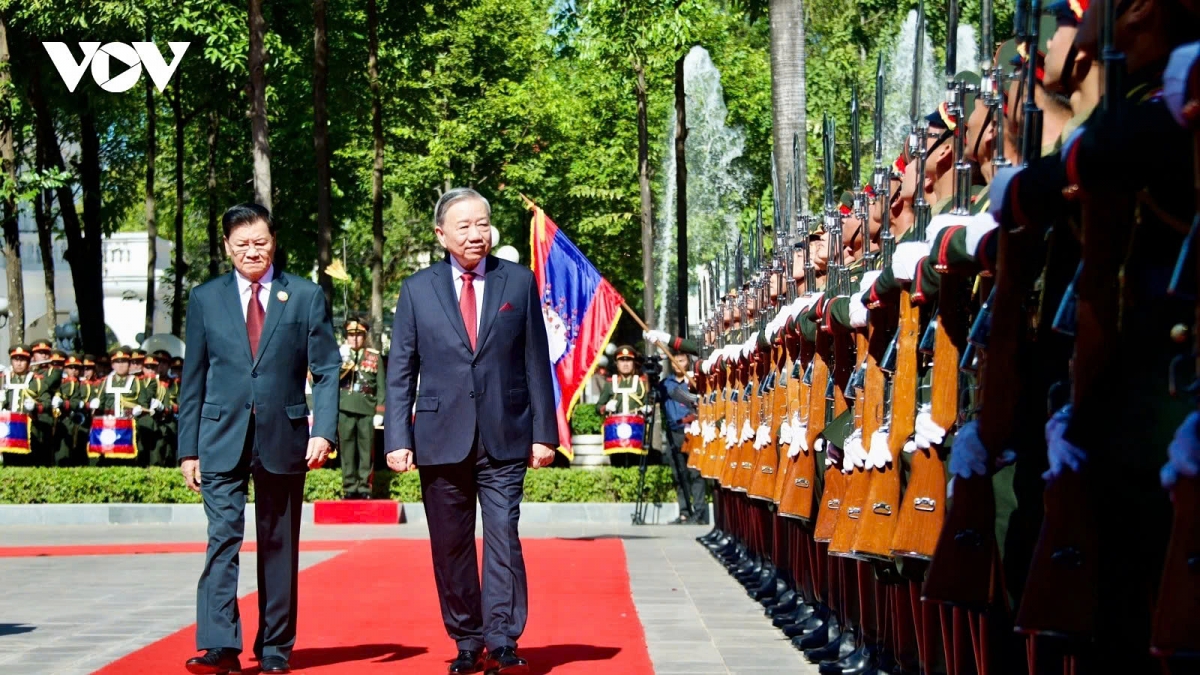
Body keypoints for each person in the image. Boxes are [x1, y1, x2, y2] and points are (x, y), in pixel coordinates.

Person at [384, 187, 557, 675]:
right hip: (440, 438)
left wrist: (545, 432)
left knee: (504, 535)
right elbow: (401, 370)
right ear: (441, 234)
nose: (476, 234)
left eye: (483, 224)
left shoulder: (517, 282)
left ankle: (502, 640)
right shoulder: (417, 290)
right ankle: (466, 637)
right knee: (451, 544)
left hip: (505, 435)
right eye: (464, 226)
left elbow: (535, 363)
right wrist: (398, 439)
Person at [177, 203, 339, 675]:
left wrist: (323, 429)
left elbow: (326, 369)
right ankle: (218, 646)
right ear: (228, 247)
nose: (253, 251)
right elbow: (194, 377)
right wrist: (188, 448)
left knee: (278, 543)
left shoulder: (304, 296)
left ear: (274, 242)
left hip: (284, 436)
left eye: (261, 242)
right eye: (242, 243)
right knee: (222, 539)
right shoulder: (205, 299)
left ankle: (274, 647)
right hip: (219, 436)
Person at [337, 318, 385, 499]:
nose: (354, 339)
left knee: (366, 451)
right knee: (347, 450)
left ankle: (365, 487)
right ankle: (349, 487)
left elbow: (381, 385)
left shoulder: (373, 355)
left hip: (367, 409)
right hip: (345, 407)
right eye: (351, 335)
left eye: (358, 335)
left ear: (364, 336)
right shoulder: (340, 355)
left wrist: (380, 411)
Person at [595, 345, 650, 468]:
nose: (625, 364)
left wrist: (647, 408)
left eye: (629, 360)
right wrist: (605, 407)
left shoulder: (642, 383)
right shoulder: (610, 384)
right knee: (617, 464)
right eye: (622, 360)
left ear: (634, 362)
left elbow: (648, 403)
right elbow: (598, 407)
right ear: (616, 363)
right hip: (616, 433)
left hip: (636, 432)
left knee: (636, 464)